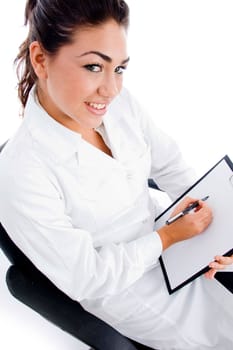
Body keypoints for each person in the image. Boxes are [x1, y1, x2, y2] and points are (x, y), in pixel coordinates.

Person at [0, 1, 232, 349]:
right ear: (40, 59)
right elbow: (87, 278)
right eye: (94, 66)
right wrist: (166, 239)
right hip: (132, 287)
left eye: (119, 69)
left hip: (176, 239)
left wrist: (221, 227)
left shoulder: (119, 106)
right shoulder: (22, 171)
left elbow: (170, 166)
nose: (111, 90)